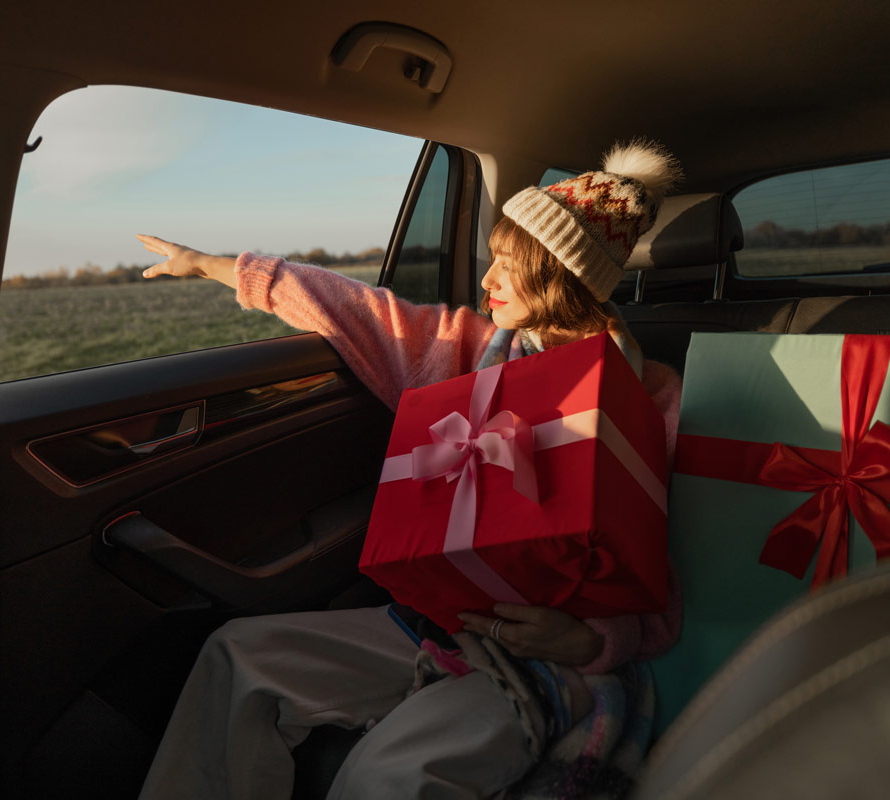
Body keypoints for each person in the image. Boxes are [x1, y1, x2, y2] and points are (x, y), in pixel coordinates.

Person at [135, 141, 684, 800]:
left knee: (383, 778)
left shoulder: (650, 398)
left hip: (552, 659)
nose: (487, 282)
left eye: (508, 266)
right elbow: (362, 311)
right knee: (237, 656)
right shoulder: (474, 350)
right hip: (434, 624)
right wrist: (215, 267)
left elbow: (666, 563)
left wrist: (588, 643)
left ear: (560, 274)